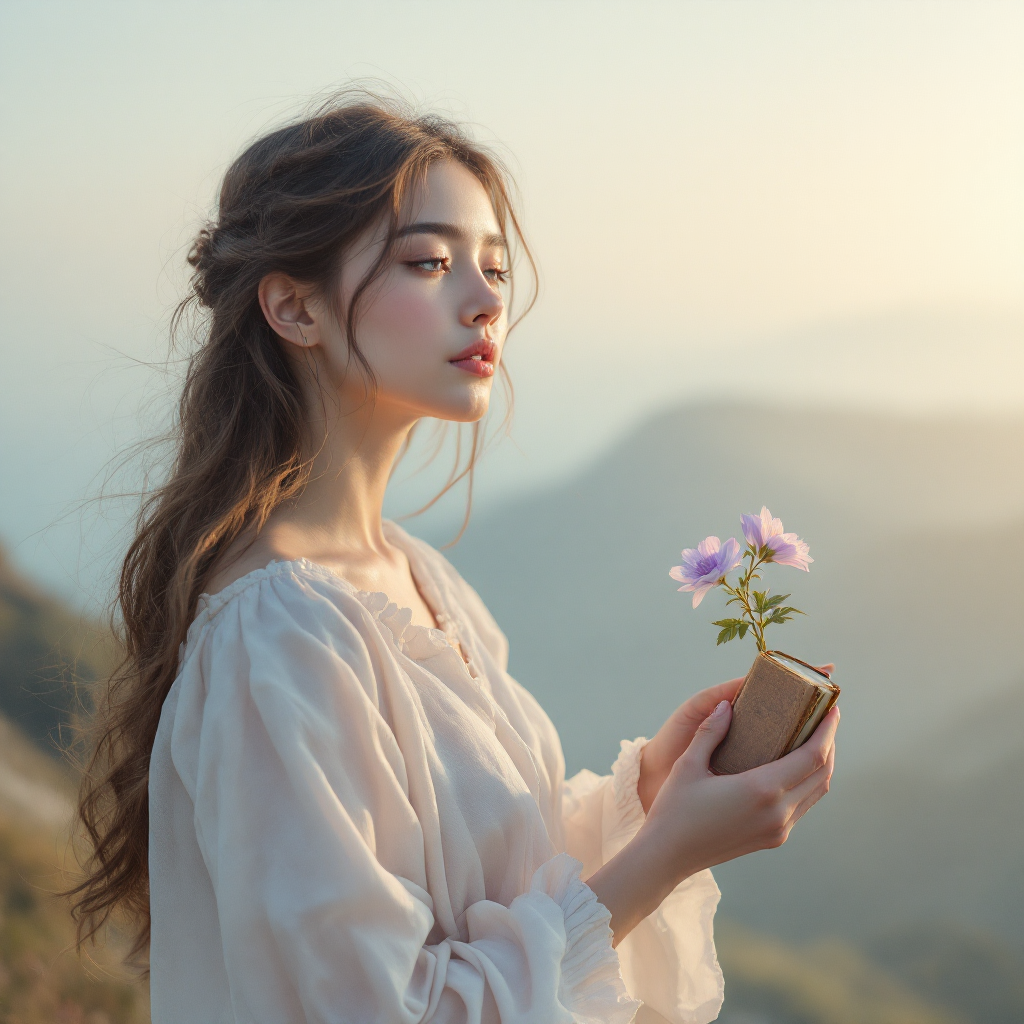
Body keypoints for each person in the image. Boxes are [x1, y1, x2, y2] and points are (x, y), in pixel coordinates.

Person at [71, 94, 839, 1024]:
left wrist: (652, 798)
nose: (484, 300)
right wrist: (665, 853)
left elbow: (503, 883)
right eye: (430, 263)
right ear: (292, 305)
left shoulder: (422, 582)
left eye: (494, 267)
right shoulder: (276, 641)